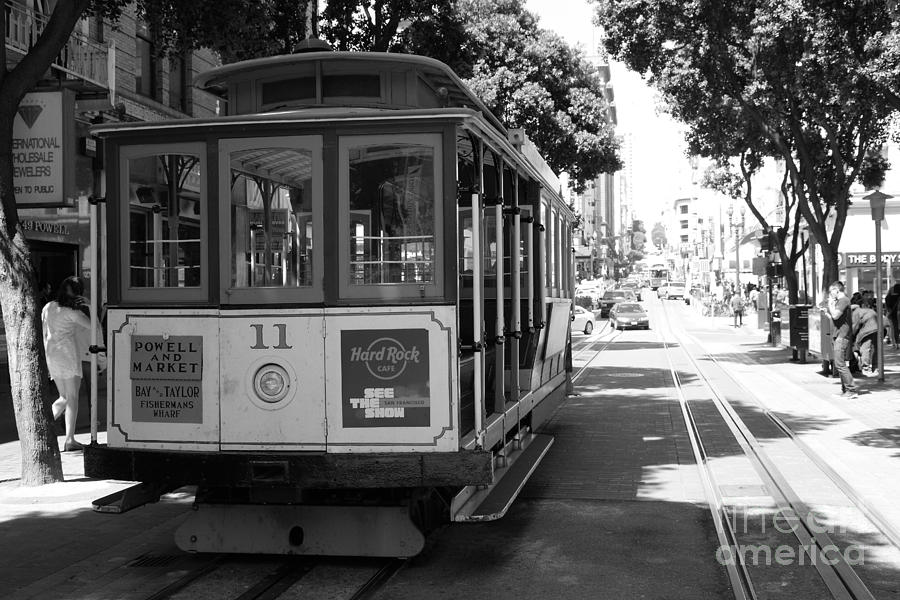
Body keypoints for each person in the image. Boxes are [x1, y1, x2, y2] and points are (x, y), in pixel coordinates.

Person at [41, 277, 92, 452]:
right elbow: (94, 327)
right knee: (72, 398)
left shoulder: (48, 307)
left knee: (64, 397)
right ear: (79, 293)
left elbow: (44, 333)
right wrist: (89, 305)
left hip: (52, 355)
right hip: (68, 355)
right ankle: (69, 439)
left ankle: (43, 426)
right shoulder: (73, 312)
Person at [821, 281, 858, 399]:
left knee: (840, 363)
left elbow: (836, 315)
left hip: (842, 336)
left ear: (837, 290)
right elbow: (835, 318)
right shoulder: (840, 301)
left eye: (831, 291)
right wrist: (827, 312)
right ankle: (845, 389)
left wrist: (831, 305)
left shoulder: (843, 300)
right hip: (838, 335)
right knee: (838, 363)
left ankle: (851, 389)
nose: (830, 294)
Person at [850, 297, 879, 375]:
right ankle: (875, 367)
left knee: (865, 348)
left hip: (868, 329)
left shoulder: (856, 312)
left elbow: (855, 326)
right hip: (877, 328)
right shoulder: (866, 310)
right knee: (875, 349)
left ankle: (866, 368)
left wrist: (852, 337)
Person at [886, 283, 900, 350]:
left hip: (893, 314)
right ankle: (896, 343)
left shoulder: (889, 296)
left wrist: (889, 312)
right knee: (894, 328)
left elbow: (888, 305)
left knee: (894, 328)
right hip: (894, 313)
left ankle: (896, 344)